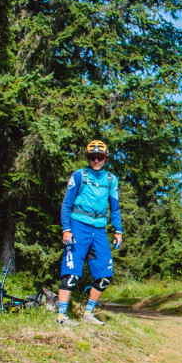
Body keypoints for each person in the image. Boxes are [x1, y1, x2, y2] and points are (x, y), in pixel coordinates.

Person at [56, 140, 123, 326]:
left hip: (100, 229)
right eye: (92, 157)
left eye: (99, 157)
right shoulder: (79, 175)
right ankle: (61, 316)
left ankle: (88, 313)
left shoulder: (111, 180)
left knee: (104, 277)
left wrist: (118, 230)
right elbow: (66, 204)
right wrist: (66, 229)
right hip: (78, 226)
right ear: (88, 158)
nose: (96, 161)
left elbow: (115, 208)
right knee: (71, 275)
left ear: (105, 158)